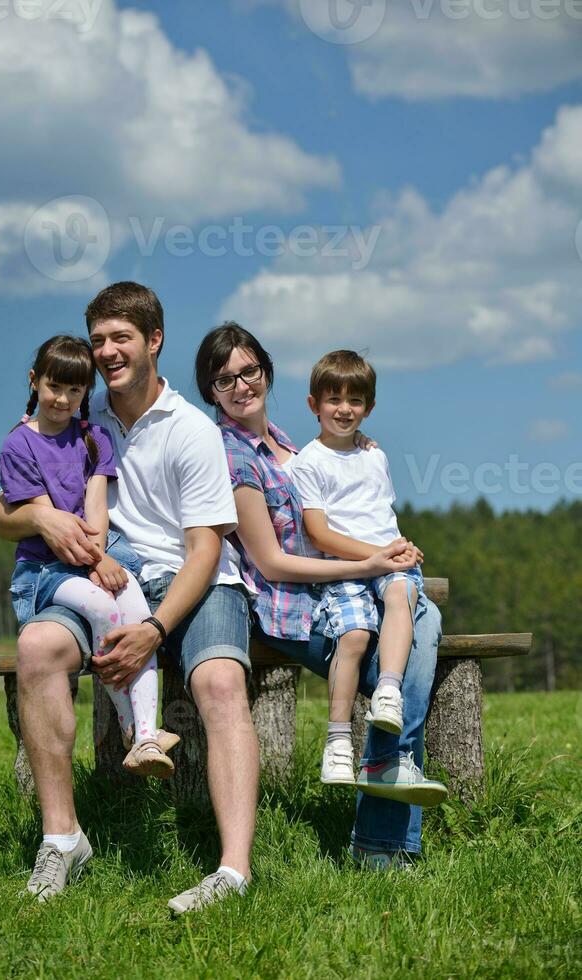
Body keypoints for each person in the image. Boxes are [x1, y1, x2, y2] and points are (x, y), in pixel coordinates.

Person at [0, 283, 257, 911]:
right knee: (37, 645)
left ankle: (233, 873)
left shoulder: (191, 429)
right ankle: (63, 838)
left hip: (190, 583)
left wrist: (156, 630)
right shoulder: (77, 418)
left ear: (154, 341)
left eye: (122, 338)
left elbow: (206, 551)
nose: (108, 351)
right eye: (100, 339)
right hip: (101, 576)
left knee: (219, 682)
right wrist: (41, 520)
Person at [194, 322, 447, 871]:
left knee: (419, 621)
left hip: (344, 583)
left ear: (266, 371)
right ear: (209, 391)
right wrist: (374, 561)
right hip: (292, 606)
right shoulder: (232, 458)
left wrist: (358, 449)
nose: (240, 386)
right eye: (223, 380)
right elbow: (271, 561)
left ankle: (386, 796)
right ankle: (384, 834)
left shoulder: (290, 443)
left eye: (249, 371)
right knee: (413, 634)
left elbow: (341, 482)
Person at [0, 334, 175, 782]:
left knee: (132, 602)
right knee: (100, 604)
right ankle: (130, 725)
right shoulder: (18, 445)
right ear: (34, 381)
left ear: (86, 393)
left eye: (76, 391)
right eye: (55, 387)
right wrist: (95, 564)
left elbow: (96, 510)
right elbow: (52, 524)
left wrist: (101, 557)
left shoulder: (93, 438)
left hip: (98, 548)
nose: (63, 399)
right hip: (45, 569)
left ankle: (149, 733)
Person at [291, 350, 435, 792]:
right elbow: (319, 534)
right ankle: (337, 743)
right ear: (314, 404)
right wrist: (378, 555)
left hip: (386, 558)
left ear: (369, 408)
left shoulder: (375, 455)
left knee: (400, 597)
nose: (345, 409)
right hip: (344, 568)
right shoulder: (307, 463)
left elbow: (380, 513)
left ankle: (388, 692)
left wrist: (397, 552)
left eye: (356, 401)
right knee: (352, 637)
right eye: (334, 399)